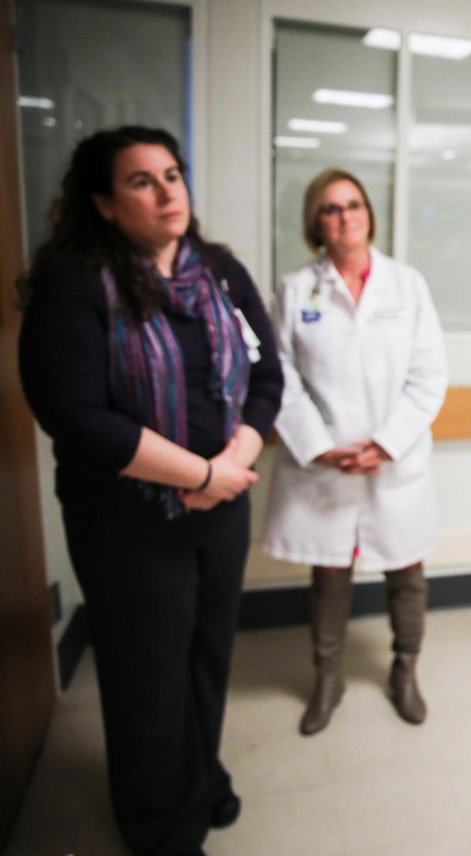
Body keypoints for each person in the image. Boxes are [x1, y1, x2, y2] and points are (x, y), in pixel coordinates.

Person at [17, 126, 283, 856]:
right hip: (128, 517)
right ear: (103, 203)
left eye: (173, 174)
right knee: (147, 679)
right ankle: (161, 827)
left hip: (221, 504)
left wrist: (232, 462)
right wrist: (199, 474)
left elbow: (266, 378)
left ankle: (199, 776)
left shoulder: (219, 271)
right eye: (143, 181)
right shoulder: (77, 281)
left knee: (206, 658)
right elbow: (75, 414)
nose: (169, 192)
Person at [263, 167, 448, 735]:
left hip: (394, 459)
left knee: (406, 570)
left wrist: (387, 444)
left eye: (354, 205)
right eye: (331, 208)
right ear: (316, 223)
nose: (345, 215)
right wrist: (320, 448)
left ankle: (405, 672)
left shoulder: (407, 284)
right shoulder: (297, 290)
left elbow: (429, 374)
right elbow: (279, 376)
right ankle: (328, 678)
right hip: (328, 462)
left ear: (369, 214)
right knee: (330, 575)